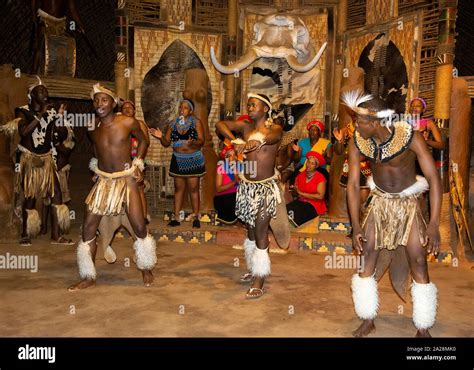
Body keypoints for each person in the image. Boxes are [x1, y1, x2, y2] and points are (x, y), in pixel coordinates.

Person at [342, 90, 441, 338]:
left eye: (360, 120)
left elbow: (433, 178)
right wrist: (355, 225)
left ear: (376, 121)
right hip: (379, 204)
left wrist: (434, 223)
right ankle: (367, 318)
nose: (356, 125)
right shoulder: (358, 141)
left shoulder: (410, 137)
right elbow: (353, 184)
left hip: (409, 204)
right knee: (367, 256)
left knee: (418, 259)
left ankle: (423, 325)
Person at [68, 84, 156, 291]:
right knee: (88, 227)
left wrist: (138, 163)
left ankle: (146, 267)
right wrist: (96, 169)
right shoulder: (92, 128)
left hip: (126, 179)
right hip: (104, 181)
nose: (100, 104)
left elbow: (144, 141)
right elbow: (98, 150)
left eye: (104, 100)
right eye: (96, 100)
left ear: (113, 102)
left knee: (139, 225)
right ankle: (88, 275)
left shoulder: (127, 122)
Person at [216, 93, 283, 299]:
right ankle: (255, 268)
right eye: (248, 104)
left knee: (261, 231)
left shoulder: (273, 129)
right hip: (247, 188)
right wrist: (234, 139)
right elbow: (220, 124)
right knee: (252, 232)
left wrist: (257, 141)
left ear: (265, 109)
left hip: (265, 188)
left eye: (254, 104)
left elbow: (273, 137)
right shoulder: (246, 128)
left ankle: (259, 279)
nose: (250, 107)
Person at [14, 77, 73, 246]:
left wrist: (60, 118)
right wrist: (41, 114)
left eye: (46, 91)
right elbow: (24, 132)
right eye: (40, 91)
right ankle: (26, 233)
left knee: (57, 195)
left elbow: (61, 137)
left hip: (47, 159)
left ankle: (56, 235)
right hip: (30, 159)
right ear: (31, 95)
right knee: (30, 197)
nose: (44, 93)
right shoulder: (22, 111)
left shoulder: (52, 113)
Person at [149, 99, 205, 228]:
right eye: (180, 107)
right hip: (177, 158)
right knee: (178, 189)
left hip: (193, 159)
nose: (182, 109)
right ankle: (176, 217)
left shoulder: (196, 122)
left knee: (193, 189)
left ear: (190, 111)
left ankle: (196, 217)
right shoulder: (173, 123)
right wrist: (160, 136)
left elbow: (201, 140)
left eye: (185, 107)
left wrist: (193, 143)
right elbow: (166, 143)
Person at [41, 114, 75, 235]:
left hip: (60, 169)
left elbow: (66, 151)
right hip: (48, 168)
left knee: (61, 199)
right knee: (46, 199)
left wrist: (56, 144)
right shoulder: (47, 126)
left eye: (64, 111)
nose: (61, 112)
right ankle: (44, 226)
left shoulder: (68, 129)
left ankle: (60, 227)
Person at [121, 100, 151, 225]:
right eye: (124, 108)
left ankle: (143, 216)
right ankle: (124, 217)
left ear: (134, 111)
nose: (127, 110)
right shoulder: (119, 124)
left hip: (136, 159)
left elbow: (146, 142)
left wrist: (138, 161)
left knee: (139, 188)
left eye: (130, 108)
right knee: (123, 188)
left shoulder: (139, 124)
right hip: (122, 160)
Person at [287, 151, 327, 227]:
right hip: (301, 201)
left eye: (312, 164)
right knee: (287, 208)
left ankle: (291, 226)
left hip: (315, 205)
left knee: (298, 212)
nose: (309, 165)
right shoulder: (300, 176)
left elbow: (320, 196)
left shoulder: (320, 178)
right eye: (308, 162)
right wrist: (294, 191)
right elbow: (296, 194)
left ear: (316, 166)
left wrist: (301, 193)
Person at [214, 145, 239, 225]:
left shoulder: (240, 167)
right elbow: (218, 189)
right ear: (225, 158)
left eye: (234, 155)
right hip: (224, 196)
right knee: (232, 199)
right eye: (229, 155)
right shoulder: (221, 168)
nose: (232, 157)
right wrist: (234, 182)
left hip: (237, 195)